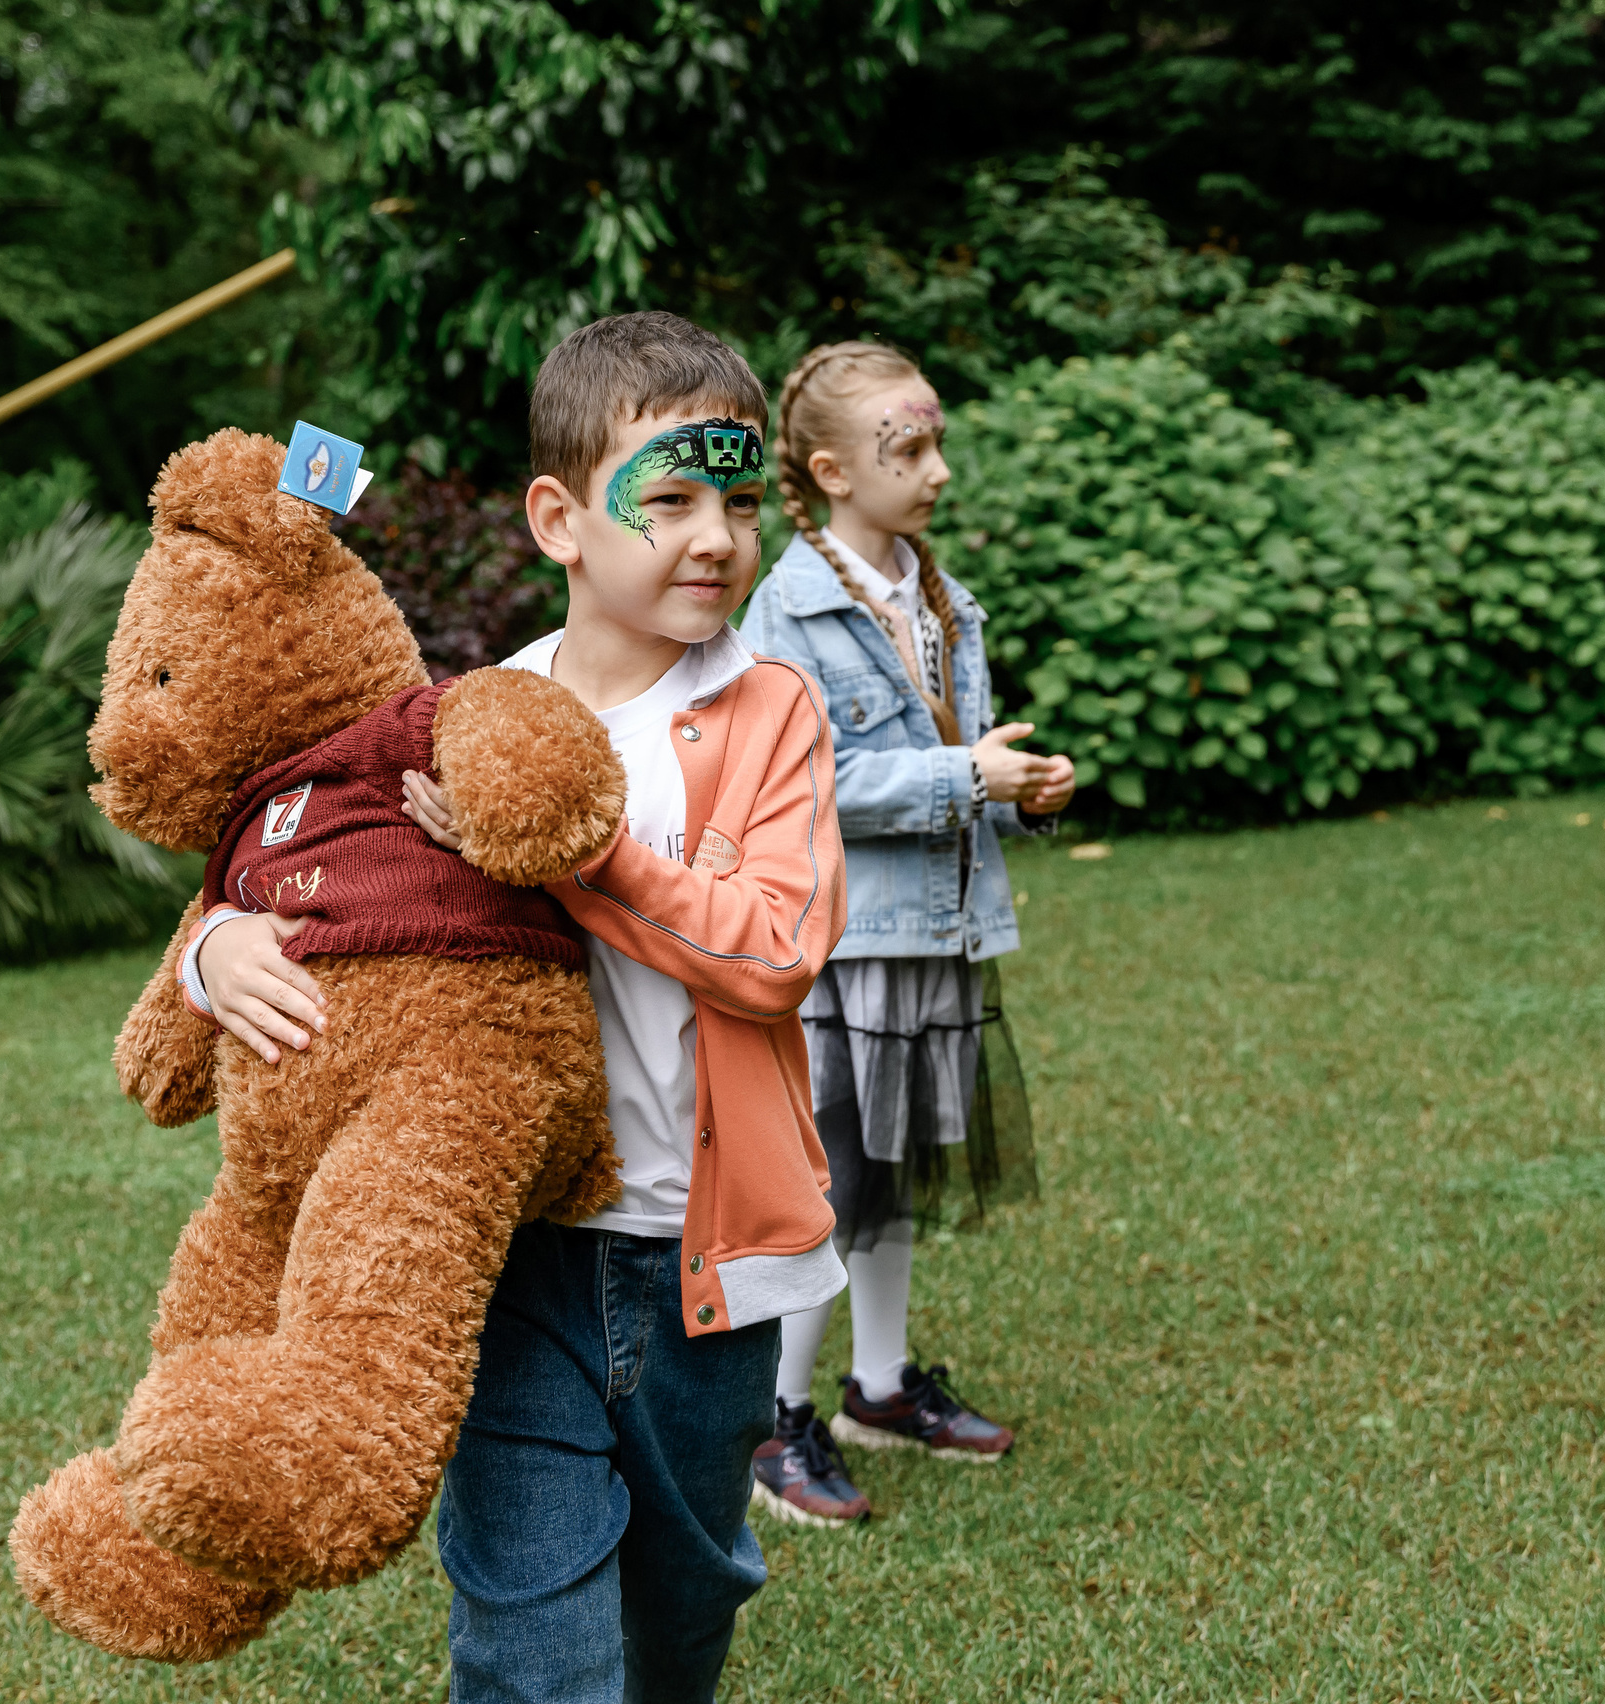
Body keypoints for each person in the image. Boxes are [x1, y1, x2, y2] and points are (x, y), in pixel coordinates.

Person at [187, 310, 846, 1703]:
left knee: (684, 1600)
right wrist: (219, 946)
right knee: (530, 1633)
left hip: (705, 1261)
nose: (713, 537)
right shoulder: (460, 714)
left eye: (737, 500)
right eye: (665, 500)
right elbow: (299, 850)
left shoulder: (771, 711)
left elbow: (780, 947)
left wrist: (576, 848)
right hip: (510, 1246)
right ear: (560, 516)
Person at [736, 340, 1074, 1527]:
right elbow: (802, 786)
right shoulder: (787, 611)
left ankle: (876, 1389)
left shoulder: (936, 596)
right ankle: (773, 1424)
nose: (936, 468)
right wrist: (960, 777)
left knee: (892, 1178)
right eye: (908, 447)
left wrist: (1013, 787)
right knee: (828, 1186)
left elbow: (950, 757)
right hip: (851, 949)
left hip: (934, 943)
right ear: (832, 470)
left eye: (936, 441)